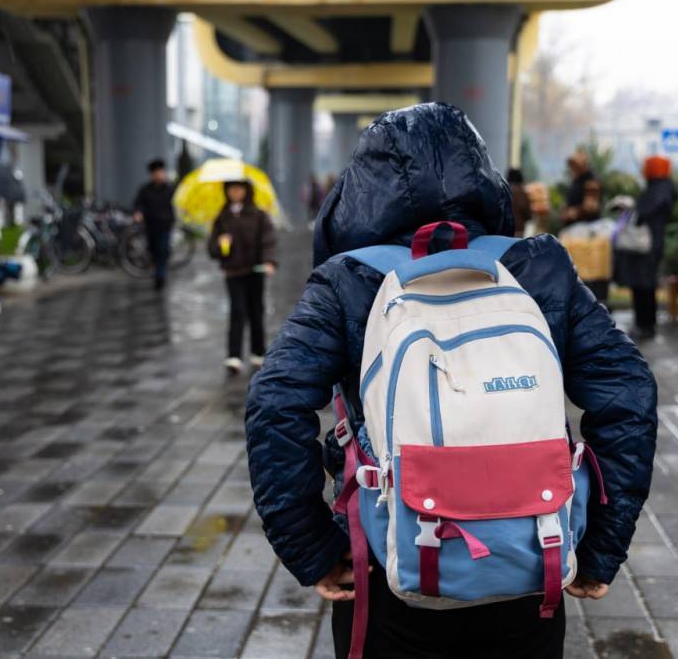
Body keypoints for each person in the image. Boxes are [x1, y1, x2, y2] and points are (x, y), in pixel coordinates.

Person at [245, 103, 657, 659]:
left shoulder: (348, 279)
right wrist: (602, 542)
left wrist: (313, 547)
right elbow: (628, 389)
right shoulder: (537, 268)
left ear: (362, 186)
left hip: (393, 555)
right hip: (533, 549)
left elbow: (275, 400)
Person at [208, 179, 277, 375]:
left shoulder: (258, 214)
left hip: (255, 270)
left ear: (246, 191)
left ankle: (258, 352)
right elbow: (211, 248)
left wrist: (269, 261)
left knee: (256, 310)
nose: (235, 192)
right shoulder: (222, 217)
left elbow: (268, 240)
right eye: (231, 189)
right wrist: (220, 245)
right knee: (237, 311)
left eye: (239, 189)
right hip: (233, 271)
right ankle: (234, 356)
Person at [614, 156, 677, 340]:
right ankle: (646, 324)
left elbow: (643, 213)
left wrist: (631, 209)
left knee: (643, 286)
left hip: (646, 245)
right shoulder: (664, 189)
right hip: (652, 244)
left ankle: (644, 325)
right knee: (645, 285)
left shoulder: (657, 190)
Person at [561, 151, 609, 301]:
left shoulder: (590, 181)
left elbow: (591, 207)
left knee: (588, 272)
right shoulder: (577, 180)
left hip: (586, 232)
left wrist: (571, 213)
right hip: (576, 231)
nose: (572, 168)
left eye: (574, 165)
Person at [133, 158, 176, 291]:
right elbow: (138, 204)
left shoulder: (170, 189)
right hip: (150, 226)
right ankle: (157, 270)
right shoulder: (145, 189)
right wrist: (138, 212)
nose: (159, 175)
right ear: (152, 174)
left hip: (165, 226)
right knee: (153, 250)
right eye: (156, 172)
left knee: (163, 250)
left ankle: (160, 275)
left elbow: (177, 204)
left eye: (161, 172)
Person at [507, 168, 532, 237]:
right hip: (519, 230)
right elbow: (527, 212)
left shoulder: (505, 190)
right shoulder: (521, 192)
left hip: (506, 230)